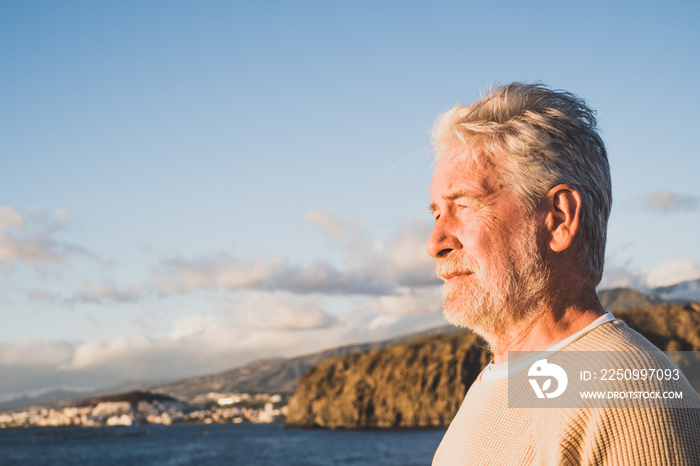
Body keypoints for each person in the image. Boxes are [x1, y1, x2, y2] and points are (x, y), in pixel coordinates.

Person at [427, 82, 700, 465]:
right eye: (436, 212)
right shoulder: (502, 379)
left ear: (558, 219)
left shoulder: (629, 396)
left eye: (464, 205)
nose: (435, 242)